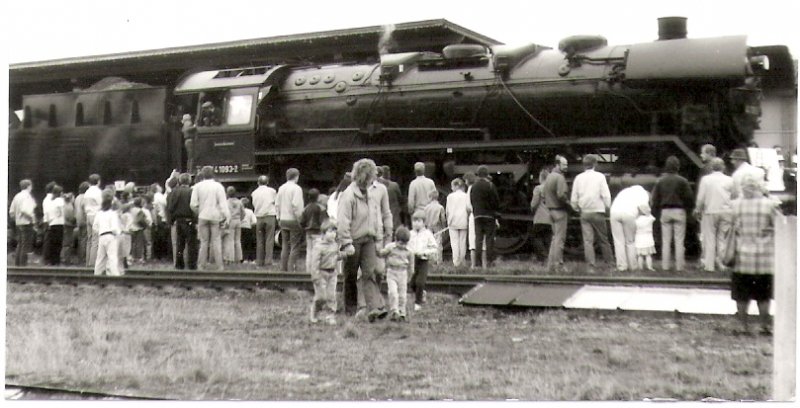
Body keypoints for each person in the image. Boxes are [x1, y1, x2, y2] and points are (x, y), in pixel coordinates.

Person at [337, 158, 390, 321]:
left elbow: (376, 217)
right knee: (351, 275)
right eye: (371, 177)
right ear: (364, 177)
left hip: (369, 239)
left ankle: (374, 308)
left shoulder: (372, 195)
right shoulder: (348, 196)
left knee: (370, 273)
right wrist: (346, 243)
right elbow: (343, 220)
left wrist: (379, 238)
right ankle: (350, 308)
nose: (373, 180)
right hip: (353, 241)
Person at [730, 173, 780, 335]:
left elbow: (732, 227)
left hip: (742, 257)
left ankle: (742, 326)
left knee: (742, 296)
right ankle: (764, 326)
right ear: (759, 186)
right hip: (764, 259)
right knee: (764, 296)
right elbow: (781, 225)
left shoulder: (736, 205)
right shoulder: (770, 205)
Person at [570, 154, 614, 271]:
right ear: (595, 164)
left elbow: (574, 198)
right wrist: (607, 206)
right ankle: (610, 265)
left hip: (584, 213)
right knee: (603, 240)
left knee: (588, 241)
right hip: (598, 211)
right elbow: (605, 194)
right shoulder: (600, 177)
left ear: (584, 165)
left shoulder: (578, 178)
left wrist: (576, 208)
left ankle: (591, 267)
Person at [650, 156, 694, 272]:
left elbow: (654, 198)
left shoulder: (660, 180)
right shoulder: (682, 181)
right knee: (679, 241)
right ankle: (679, 267)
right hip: (679, 211)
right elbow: (689, 197)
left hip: (665, 211)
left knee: (666, 241)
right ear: (677, 167)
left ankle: (665, 266)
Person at [694, 157, 734, 272]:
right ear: (723, 167)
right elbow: (734, 196)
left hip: (710, 211)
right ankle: (720, 262)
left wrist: (697, 209)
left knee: (709, 238)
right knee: (722, 239)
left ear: (712, 167)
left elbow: (701, 197)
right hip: (726, 211)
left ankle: (709, 265)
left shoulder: (706, 180)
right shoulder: (730, 180)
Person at [191, 166, 230, 271]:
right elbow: (223, 204)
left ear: (203, 175)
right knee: (216, 241)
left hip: (202, 216)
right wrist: (226, 217)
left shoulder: (197, 186)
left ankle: (201, 266)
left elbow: (193, 204)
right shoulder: (218, 186)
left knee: (203, 242)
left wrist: (199, 212)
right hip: (215, 216)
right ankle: (219, 266)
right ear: (213, 174)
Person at [309, 219, 346, 325]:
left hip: (332, 273)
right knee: (321, 297)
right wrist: (315, 276)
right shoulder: (318, 246)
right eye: (330, 232)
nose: (333, 234)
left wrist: (343, 255)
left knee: (331, 296)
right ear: (324, 233)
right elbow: (315, 263)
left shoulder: (335, 245)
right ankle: (315, 311)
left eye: (334, 232)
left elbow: (336, 256)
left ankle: (330, 315)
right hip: (321, 274)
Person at [610, 185, 650, 272]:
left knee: (618, 242)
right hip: (629, 214)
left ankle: (621, 266)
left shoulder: (625, 190)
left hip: (614, 213)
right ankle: (633, 266)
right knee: (630, 241)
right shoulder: (643, 193)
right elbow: (644, 209)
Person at [378, 226, 414, 321]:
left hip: (403, 273)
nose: (403, 246)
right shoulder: (390, 247)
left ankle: (402, 312)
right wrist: (379, 250)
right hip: (392, 272)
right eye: (401, 243)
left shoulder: (409, 251)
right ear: (396, 240)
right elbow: (382, 254)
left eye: (405, 244)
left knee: (402, 294)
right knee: (393, 292)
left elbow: (411, 264)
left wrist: (410, 275)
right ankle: (394, 311)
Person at [543, 155, 570, 273]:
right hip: (559, 211)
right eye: (564, 165)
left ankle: (550, 266)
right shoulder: (559, 177)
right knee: (560, 240)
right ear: (557, 165)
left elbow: (543, 195)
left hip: (550, 211)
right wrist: (569, 204)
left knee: (554, 239)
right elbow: (561, 195)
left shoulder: (549, 177)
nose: (566, 167)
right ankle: (559, 266)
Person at [470, 165, 500, 269]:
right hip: (489, 215)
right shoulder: (490, 185)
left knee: (478, 239)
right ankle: (490, 262)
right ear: (487, 174)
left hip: (477, 215)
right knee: (489, 239)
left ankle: (478, 263)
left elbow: (472, 200)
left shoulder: (473, 187)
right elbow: (495, 201)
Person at [408, 210, 438, 310]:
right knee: (411, 283)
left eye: (419, 221)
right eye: (414, 221)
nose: (416, 223)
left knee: (420, 282)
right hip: (412, 260)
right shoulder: (410, 234)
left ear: (423, 222)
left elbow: (434, 248)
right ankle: (422, 293)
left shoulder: (427, 234)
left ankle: (418, 303)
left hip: (423, 260)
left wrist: (425, 252)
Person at [276, 168, 305, 272]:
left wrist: (278, 217)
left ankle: (283, 268)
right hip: (293, 219)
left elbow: (277, 204)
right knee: (295, 245)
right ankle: (291, 268)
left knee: (285, 245)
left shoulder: (281, 188)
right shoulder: (297, 189)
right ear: (296, 176)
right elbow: (296, 205)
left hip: (283, 219)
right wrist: (300, 219)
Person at [168, 173, 198, 270]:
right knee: (191, 244)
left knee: (180, 244)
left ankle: (179, 264)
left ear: (180, 181)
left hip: (178, 220)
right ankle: (192, 264)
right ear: (189, 181)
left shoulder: (173, 192)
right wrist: (195, 220)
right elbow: (194, 206)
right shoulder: (191, 192)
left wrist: (171, 220)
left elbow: (170, 207)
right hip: (189, 220)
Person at [9, 179, 37, 266]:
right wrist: (32, 219)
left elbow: (11, 212)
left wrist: (17, 219)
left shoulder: (17, 196)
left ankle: (17, 265)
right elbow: (25, 210)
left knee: (20, 244)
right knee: (26, 245)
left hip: (19, 224)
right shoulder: (27, 196)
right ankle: (23, 265)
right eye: (31, 186)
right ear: (28, 186)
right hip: (26, 223)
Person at [92, 193, 121, 276]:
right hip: (111, 236)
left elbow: (95, 226)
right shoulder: (113, 214)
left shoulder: (99, 213)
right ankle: (114, 274)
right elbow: (114, 228)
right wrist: (118, 234)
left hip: (102, 236)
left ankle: (97, 273)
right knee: (112, 256)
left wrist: (99, 232)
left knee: (100, 257)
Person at [251, 175, 277, 267]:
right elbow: (275, 202)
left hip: (259, 217)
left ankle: (259, 261)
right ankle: (268, 261)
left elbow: (254, 204)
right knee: (269, 239)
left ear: (258, 182)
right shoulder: (272, 191)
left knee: (260, 240)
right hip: (269, 216)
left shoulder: (254, 193)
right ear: (267, 182)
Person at [445, 178, 470, 267]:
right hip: (463, 220)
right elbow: (468, 208)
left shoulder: (450, 197)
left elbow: (447, 210)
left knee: (454, 242)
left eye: (452, 186)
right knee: (462, 242)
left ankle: (456, 262)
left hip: (453, 221)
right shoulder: (466, 196)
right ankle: (462, 261)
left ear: (455, 186)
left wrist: (448, 220)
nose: (451, 188)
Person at [529, 169, 552, 263]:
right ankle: (547, 257)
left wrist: (532, 209)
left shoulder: (538, 188)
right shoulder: (552, 189)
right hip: (550, 218)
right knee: (548, 238)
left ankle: (543, 257)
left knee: (536, 237)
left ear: (541, 177)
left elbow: (534, 204)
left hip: (540, 217)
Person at [300, 188, 325, 273]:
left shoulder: (306, 208)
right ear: (318, 197)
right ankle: (316, 270)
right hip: (318, 232)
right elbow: (323, 221)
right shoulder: (321, 208)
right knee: (317, 252)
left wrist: (305, 228)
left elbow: (302, 221)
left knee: (309, 251)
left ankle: (308, 270)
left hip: (308, 232)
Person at [84, 174, 104, 267]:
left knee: (89, 239)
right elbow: (102, 204)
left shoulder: (87, 192)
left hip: (88, 215)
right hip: (96, 216)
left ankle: (88, 261)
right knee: (96, 240)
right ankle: (93, 262)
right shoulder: (98, 192)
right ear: (98, 181)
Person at [43, 185, 65, 265]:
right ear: (60, 193)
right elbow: (61, 212)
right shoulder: (60, 201)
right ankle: (57, 260)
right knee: (58, 243)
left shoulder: (51, 201)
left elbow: (47, 213)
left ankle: (52, 261)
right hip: (59, 222)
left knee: (53, 243)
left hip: (52, 223)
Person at [423, 189, 446, 264]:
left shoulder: (426, 208)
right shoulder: (440, 207)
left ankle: (430, 260)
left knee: (429, 243)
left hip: (428, 226)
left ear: (430, 197)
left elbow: (424, 218)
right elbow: (443, 219)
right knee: (438, 244)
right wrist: (444, 227)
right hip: (437, 226)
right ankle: (438, 261)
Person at [223, 186, 244, 265]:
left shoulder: (226, 202)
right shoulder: (239, 202)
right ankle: (238, 258)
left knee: (230, 240)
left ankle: (230, 258)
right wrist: (240, 219)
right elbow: (243, 213)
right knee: (238, 240)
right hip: (238, 220)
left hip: (230, 221)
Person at [634, 204, 656, 271]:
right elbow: (653, 218)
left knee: (640, 255)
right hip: (648, 239)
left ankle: (640, 267)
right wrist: (648, 213)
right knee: (648, 255)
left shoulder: (636, 220)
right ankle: (649, 267)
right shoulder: (650, 219)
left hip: (639, 239)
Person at [73, 181, 90, 265]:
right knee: (85, 240)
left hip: (78, 221)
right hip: (84, 220)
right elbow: (85, 210)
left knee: (81, 240)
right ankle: (83, 259)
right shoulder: (85, 198)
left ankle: (80, 258)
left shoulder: (77, 197)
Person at [129, 197, 148, 264]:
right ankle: (139, 258)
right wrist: (145, 225)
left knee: (132, 244)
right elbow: (141, 220)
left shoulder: (131, 210)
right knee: (139, 244)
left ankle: (132, 257)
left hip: (131, 228)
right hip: (138, 228)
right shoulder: (140, 211)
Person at [60, 193, 77, 264]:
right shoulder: (69, 207)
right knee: (68, 243)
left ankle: (63, 257)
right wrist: (75, 220)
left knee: (65, 242)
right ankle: (67, 259)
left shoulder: (64, 205)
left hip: (65, 224)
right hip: (68, 225)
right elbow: (71, 218)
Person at [240, 198, 257, 263]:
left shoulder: (239, 211)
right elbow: (254, 221)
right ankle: (249, 258)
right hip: (248, 228)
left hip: (240, 228)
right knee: (248, 245)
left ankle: (242, 258)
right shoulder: (250, 211)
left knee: (241, 244)